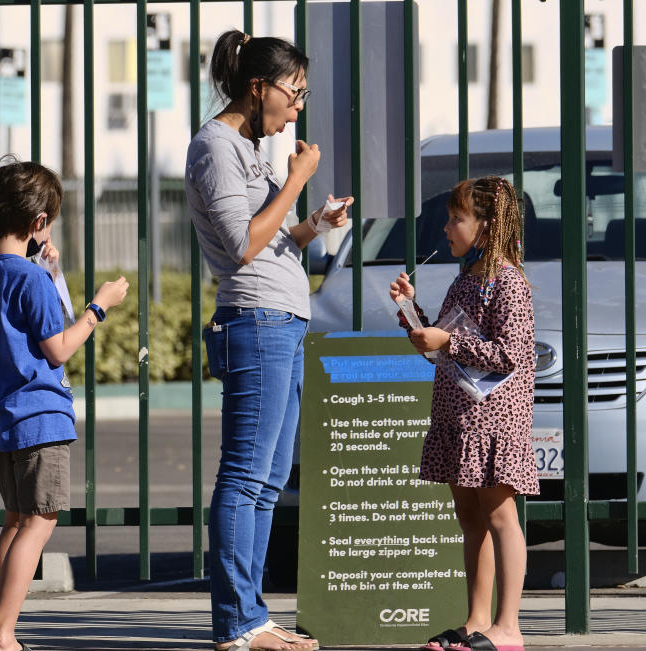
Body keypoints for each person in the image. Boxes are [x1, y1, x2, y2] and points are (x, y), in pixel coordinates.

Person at [185, 29, 352, 651]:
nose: (298, 106)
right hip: (253, 323)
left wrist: (312, 224)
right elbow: (241, 245)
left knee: (268, 477)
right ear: (258, 88)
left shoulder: (251, 147)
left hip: (281, 319)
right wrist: (296, 181)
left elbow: (271, 239)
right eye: (294, 91)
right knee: (246, 476)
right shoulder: (215, 146)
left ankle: (251, 615)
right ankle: (237, 623)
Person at [0, 159, 128, 651]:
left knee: (15, 520)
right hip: (40, 417)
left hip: (0, 417)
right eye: (49, 221)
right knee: (40, 521)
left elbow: (28, 325)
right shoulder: (29, 279)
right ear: (38, 223)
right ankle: (3, 635)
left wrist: (51, 270)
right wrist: (99, 307)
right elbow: (57, 347)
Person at [389, 176, 537, 651]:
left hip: (493, 420)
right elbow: (448, 349)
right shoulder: (463, 279)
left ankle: (508, 626)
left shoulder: (507, 282)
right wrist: (419, 321)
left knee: (499, 516)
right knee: (470, 519)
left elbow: (509, 354)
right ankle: (476, 619)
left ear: (488, 226)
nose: (447, 228)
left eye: (457, 219)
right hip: (459, 417)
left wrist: (447, 340)